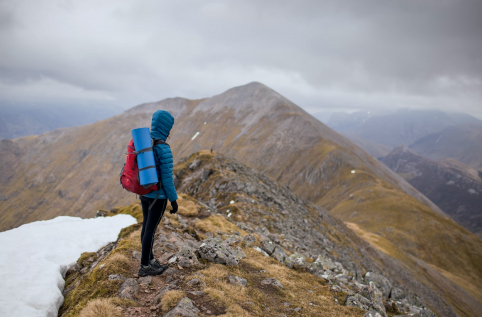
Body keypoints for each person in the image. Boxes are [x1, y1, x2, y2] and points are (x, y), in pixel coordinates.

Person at [138, 110, 179, 277]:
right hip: (158, 197)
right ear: (165, 128)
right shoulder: (163, 148)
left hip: (144, 193)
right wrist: (174, 200)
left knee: (146, 227)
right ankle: (145, 266)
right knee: (151, 230)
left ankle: (150, 259)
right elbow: (167, 179)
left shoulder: (144, 143)